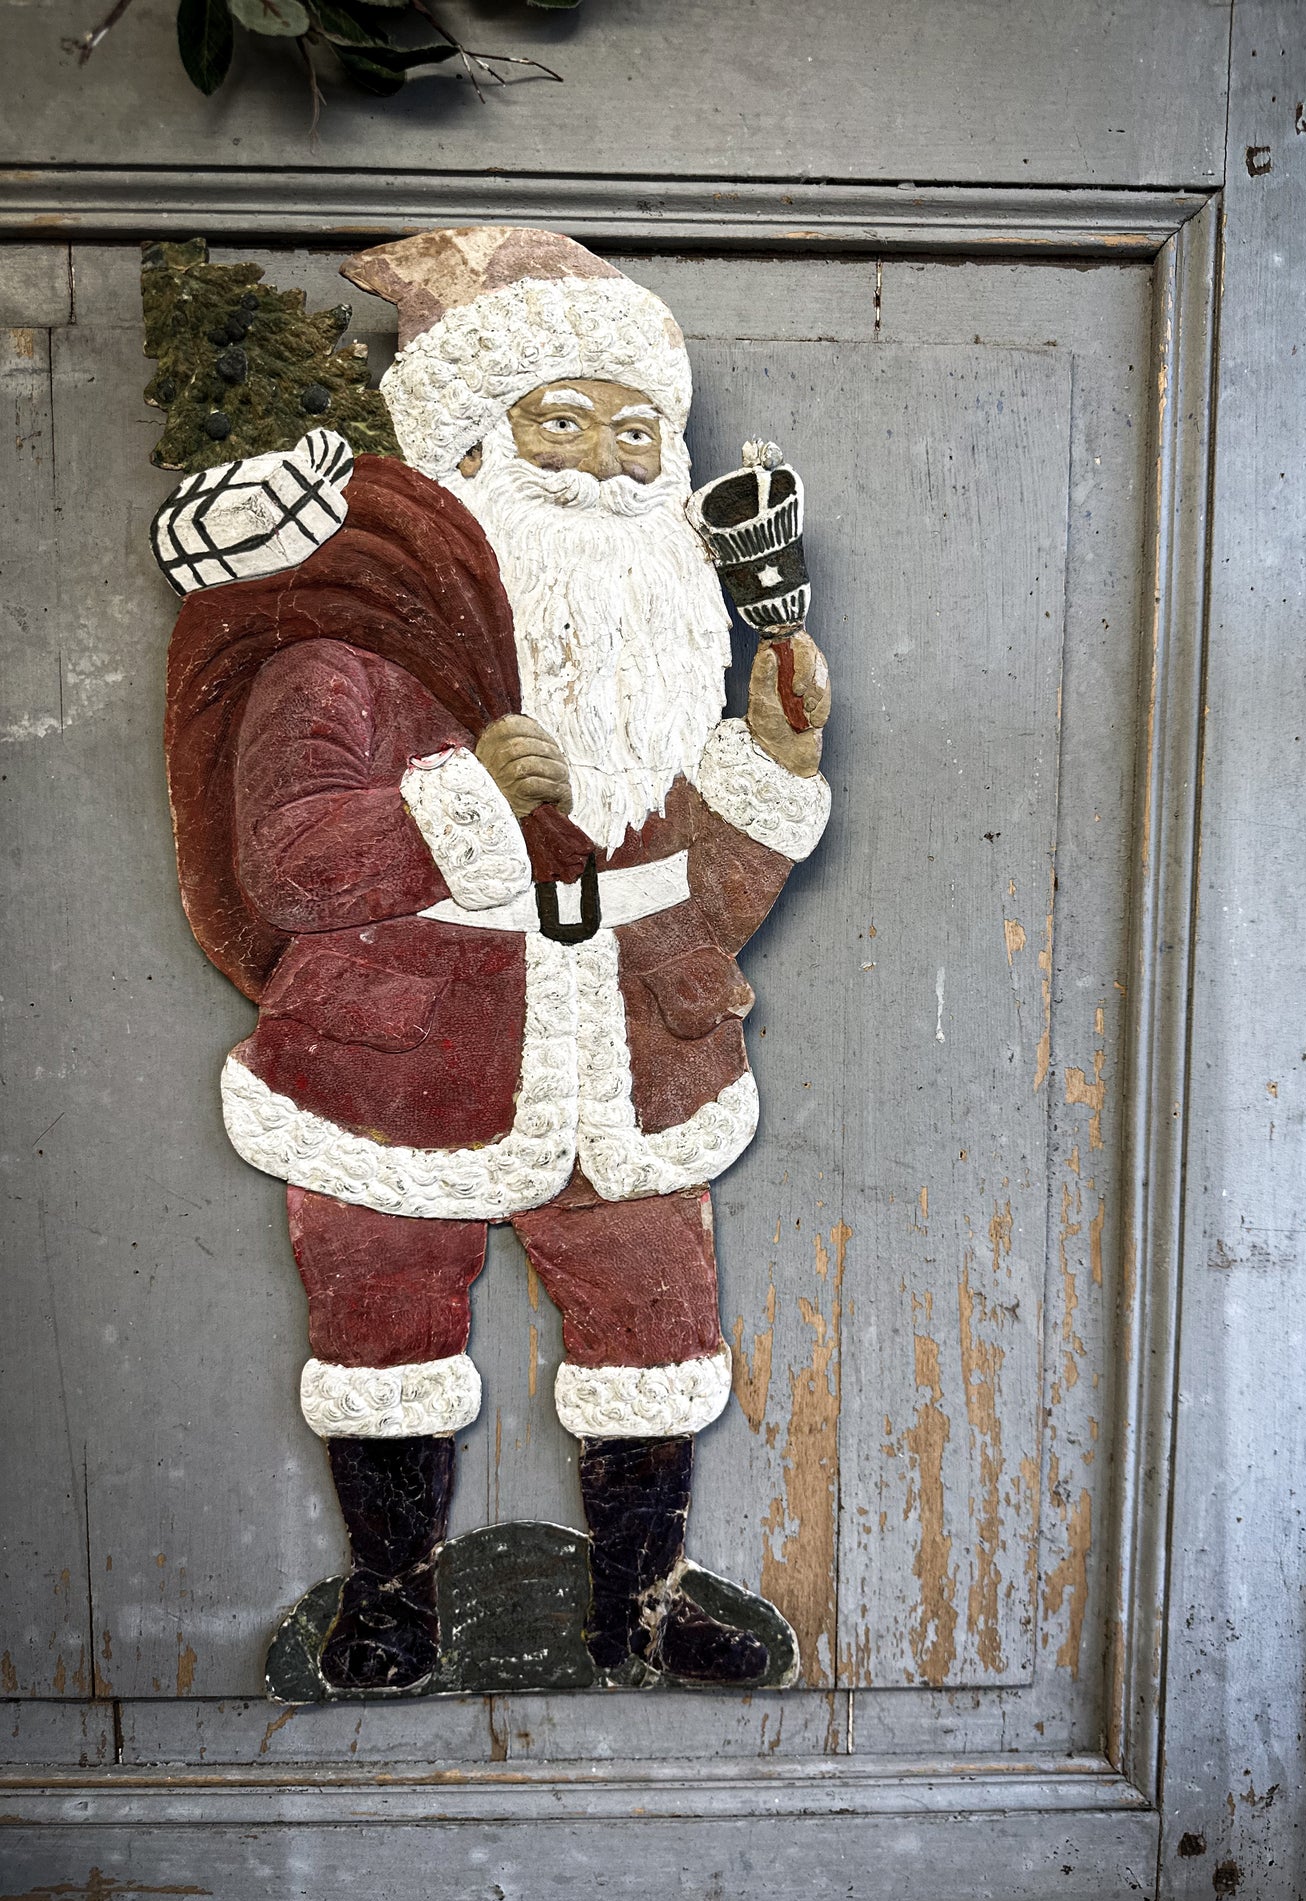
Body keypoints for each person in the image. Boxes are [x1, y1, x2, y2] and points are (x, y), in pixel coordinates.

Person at [161, 227, 831, 1692]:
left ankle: (638, 1606)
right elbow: (290, 854)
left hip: (632, 1067)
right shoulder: (350, 646)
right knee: (382, 1329)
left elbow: (699, 897)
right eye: (563, 422)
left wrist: (768, 756)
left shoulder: (656, 666)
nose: (603, 462)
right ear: (471, 441)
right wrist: (468, 793)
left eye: (634, 431)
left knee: (654, 1329)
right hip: (398, 1061)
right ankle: (391, 1615)